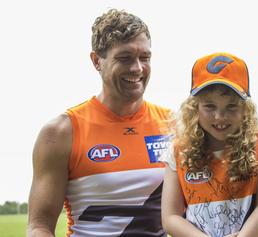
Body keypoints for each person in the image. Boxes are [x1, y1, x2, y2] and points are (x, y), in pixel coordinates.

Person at [28, 9, 172, 237]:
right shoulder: (61, 132)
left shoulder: (174, 126)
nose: (137, 68)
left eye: (145, 57)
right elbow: (39, 226)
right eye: (124, 58)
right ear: (97, 61)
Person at [161, 52, 258, 237]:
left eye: (231, 106)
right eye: (209, 106)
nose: (219, 116)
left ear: (245, 108)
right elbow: (170, 218)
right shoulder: (177, 151)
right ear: (195, 108)